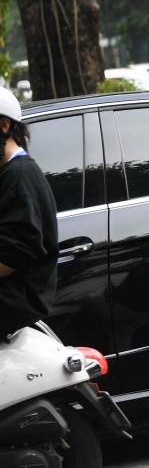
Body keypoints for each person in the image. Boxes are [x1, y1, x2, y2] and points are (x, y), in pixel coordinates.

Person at [0, 87, 59, 337]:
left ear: (4, 125)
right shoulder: (9, 173)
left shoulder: (19, 177)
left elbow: (15, 253)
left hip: (11, 304)